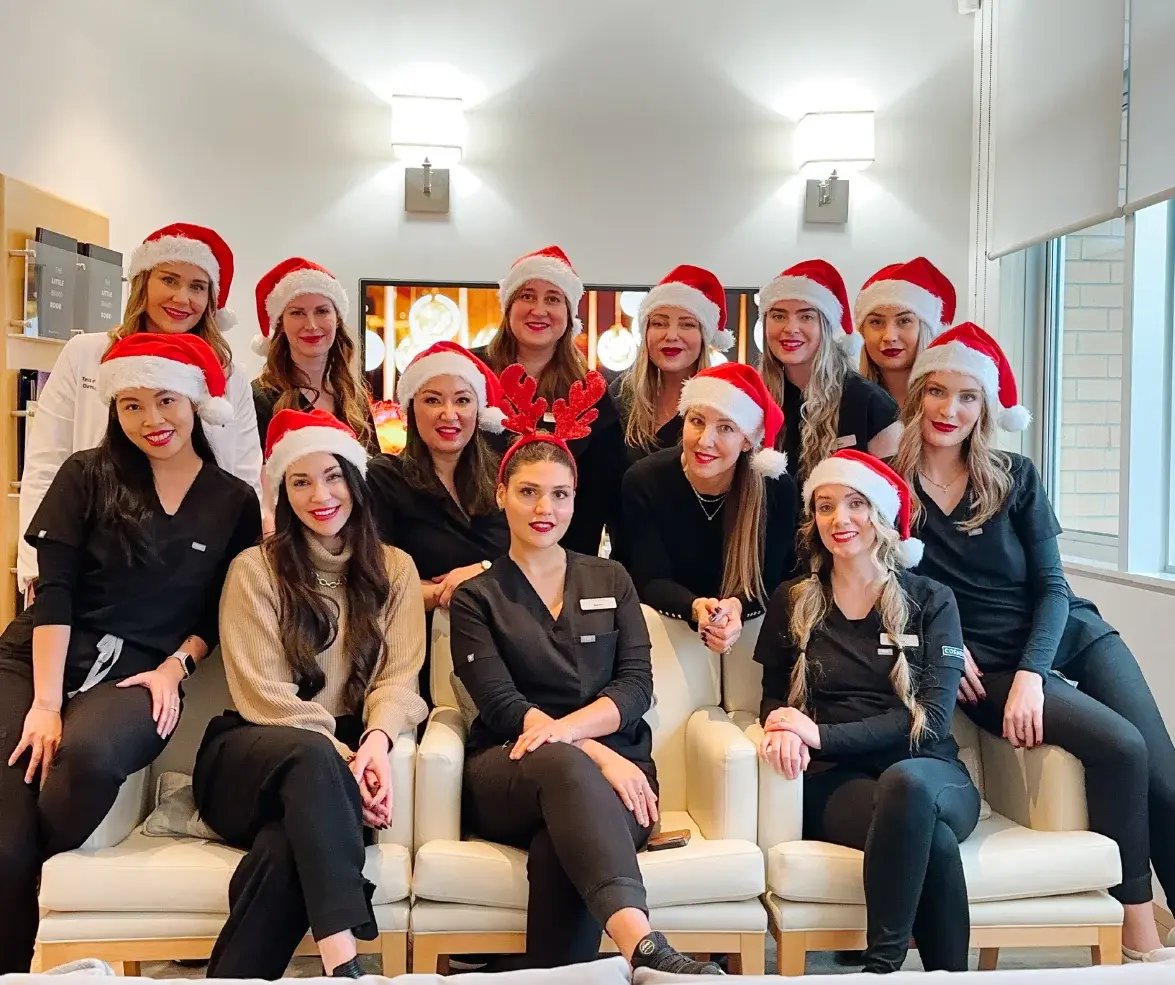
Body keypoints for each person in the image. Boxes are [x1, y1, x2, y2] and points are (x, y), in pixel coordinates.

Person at [894, 322, 1175, 963]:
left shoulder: (1014, 476)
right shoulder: (890, 486)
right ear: (917, 400)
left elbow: (1052, 587)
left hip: (1066, 633)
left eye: (968, 397)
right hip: (978, 664)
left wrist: (1034, 676)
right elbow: (886, 584)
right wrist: (945, 641)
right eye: (937, 392)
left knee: (1165, 772)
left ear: (985, 409)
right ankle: (1137, 930)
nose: (950, 410)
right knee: (1121, 749)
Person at [0, 334, 261, 974]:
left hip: (140, 672)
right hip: (35, 657)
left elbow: (219, 615)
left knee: (87, 760)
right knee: (3, 845)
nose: (152, 421)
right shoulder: (86, 474)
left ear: (195, 403)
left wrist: (177, 667)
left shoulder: (232, 501)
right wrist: (44, 704)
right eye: (132, 405)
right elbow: (53, 591)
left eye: (166, 401)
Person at [449, 363, 720, 975]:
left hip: (621, 777)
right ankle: (645, 947)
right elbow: (501, 707)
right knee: (565, 768)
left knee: (556, 850)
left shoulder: (611, 578)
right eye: (528, 492)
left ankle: (544, 975)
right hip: (512, 769)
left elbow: (635, 686)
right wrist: (597, 752)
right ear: (501, 495)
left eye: (560, 494)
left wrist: (582, 741)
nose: (545, 507)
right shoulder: (476, 596)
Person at [193, 408, 428, 979]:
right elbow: (263, 692)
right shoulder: (255, 570)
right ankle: (344, 960)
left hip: (341, 766)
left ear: (356, 481)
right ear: (281, 491)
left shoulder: (395, 569)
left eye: (332, 476)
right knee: (311, 760)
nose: (319, 494)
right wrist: (344, 755)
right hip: (254, 752)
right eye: (300, 481)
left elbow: (401, 677)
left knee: (283, 849)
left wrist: (373, 742)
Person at [755, 450, 978, 974]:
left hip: (933, 772)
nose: (841, 520)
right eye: (827, 506)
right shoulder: (794, 599)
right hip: (839, 784)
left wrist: (819, 734)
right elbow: (771, 695)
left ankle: (881, 966)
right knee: (934, 840)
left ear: (879, 517)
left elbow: (932, 721)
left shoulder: (932, 599)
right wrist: (779, 726)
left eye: (856, 504)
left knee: (908, 785)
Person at [17, 223, 261, 601]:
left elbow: (244, 476)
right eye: (169, 279)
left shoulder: (228, 377)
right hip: (90, 565)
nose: (182, 298)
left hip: (191, 574)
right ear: (143, 282)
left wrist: (243, 580)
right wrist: (40, 570)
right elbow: (45, 464)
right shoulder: (86, 354)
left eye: (197, 286)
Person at [623, 362, 796, 655]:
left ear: (746, 441)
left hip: (751, 630)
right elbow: (646, 577)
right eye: (697, 421)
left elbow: (775, 578)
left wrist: (737, 606)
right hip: (666, 631)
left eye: (726, 427)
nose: (705, 441)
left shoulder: (775, 489)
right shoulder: (645, 480)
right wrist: (695, 607)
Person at [476, 245, 625, 556]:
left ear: (569, 315)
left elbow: (600, 493)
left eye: (553, 299)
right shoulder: (470, 375)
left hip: (563, 559)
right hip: (475, 557)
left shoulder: (591, 392)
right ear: (508, 307)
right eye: (527, 296)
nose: (539, 310)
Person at [367, 341, 509, 613]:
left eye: (462, 400)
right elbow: (377, 582)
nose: (449, 414)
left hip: (503, 643)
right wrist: (456, 590)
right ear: (411, 408)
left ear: (478, 411)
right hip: (420, 643)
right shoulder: (384, 478)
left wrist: (483, 570)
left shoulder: (505, 476)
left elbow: (536, 564)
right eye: (432, 400)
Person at [757, 258, 900, 486]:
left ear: (826, 326)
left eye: (806, 316)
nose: (790, 328)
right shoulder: (753, 399)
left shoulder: (870, 403)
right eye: (778, 316)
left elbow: (892, 500)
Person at [250, 256, 378, 453]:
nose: (311, 325)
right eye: (297, 313)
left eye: (322, 311)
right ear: (280, 324)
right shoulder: (260, 399)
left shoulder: (354, 398)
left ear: (337, 320)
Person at [610, 264, 732, 469]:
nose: (671, 335)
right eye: (659, 323)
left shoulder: (724, 404)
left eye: (687, 324)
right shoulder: (621, 394)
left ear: (704, 336)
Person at [855, 257, 955, 407]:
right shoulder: (845, 401)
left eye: (904, 321)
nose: (889, 337)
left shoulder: (950, 405)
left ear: (925, 329)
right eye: (876, 322)